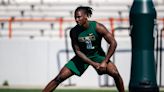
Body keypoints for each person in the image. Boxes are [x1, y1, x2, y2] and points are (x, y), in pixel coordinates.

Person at [43, 6, 125, 92]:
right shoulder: (74, 31)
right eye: (75, 17)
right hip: (82, 57)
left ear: (86, 16)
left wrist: (105, 61)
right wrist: (93, 64)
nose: (76, 19)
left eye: (79, 17)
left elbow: (113, 43)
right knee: (59, 77)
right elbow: (77, 51)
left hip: (97, 55)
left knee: (115, 73)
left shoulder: (98, 27)